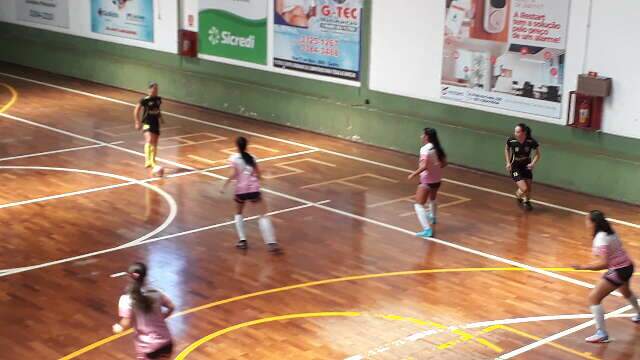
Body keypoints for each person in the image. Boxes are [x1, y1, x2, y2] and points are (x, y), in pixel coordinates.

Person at [573, 211, 640, 343]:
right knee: (626, 292)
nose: (586, 223)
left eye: (587, 221)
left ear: (593, 223)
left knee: (594, 297)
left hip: (619, 270)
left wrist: (583, 267)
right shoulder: (610, 231)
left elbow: (604, 263)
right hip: (627, 266)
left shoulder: (600, 238)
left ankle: (601, 333)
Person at [221, 137, 280, 252]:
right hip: (253, 189)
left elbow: (233, 174)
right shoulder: (252, 158)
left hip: (240, 191)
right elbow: (258, 174)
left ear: (237, 146)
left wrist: (224, 186)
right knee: (263, 215)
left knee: (238, 213)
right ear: (247, 146)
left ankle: (242, 240)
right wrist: (262, 180)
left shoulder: (233, 158)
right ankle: (271, 242)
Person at [112, 262, 175, 359]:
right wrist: (162, 317)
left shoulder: (126, 299)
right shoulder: (156, 294)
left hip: (147, 346)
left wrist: (119, 327)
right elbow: (171, 307)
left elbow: (126, 321)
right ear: (145, 276)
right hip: (166, 342)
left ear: (130, 278)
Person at [408, 128, 447, 238]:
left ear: (427, 137)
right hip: (437, 180)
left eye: (423, 135)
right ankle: (433, 217)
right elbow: (444, 163)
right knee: (433, 198)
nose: (421, 136)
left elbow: (424, 166)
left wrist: (413, 174)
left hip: (426, 181)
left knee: (418, 205)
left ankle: (427, 230)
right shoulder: (438, 148)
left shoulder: (425, 149)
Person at [504, 123, 540, 211]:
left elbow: (538, 154)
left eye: (517, 132)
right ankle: (518, 194)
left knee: (529, 187)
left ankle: (527, 201)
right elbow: (506, 149)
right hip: (515, 167)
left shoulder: (531, 141)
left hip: (526, 166)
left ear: (523, 133)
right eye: (515, 132)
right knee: (524, 188)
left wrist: (532, 163)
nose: (515, 133)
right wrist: (508, 163)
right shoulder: (511, 140)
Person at [134, 82, 164, 176]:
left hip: (155, 123)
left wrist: (161, 118)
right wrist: (137, 121)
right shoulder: (144, 100)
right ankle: (148, 161)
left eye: (157, 89)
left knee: (155, 142)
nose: (155, 91)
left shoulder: (158, 100)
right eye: (154, 89)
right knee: (149, 139)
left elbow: (158, 110)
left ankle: (153, 160)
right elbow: (136, 110)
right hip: (147, 123)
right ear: (149, 90)